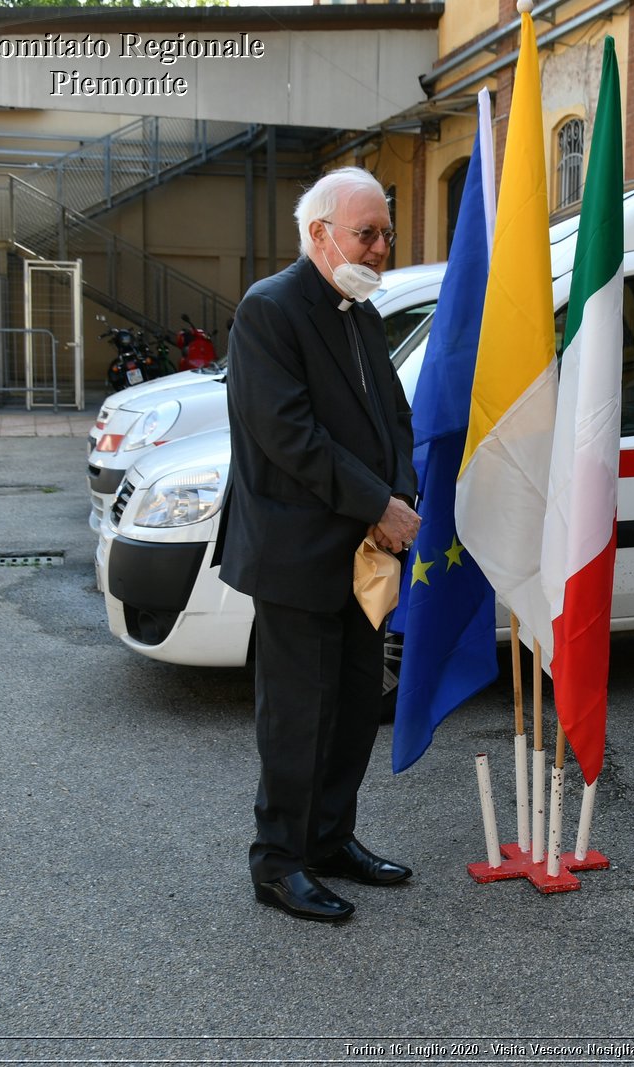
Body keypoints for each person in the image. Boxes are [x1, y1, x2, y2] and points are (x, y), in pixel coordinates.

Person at [217, 166, 421, 923]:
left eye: (386, 233)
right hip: (298, 552)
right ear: (319, 234)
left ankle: (332, 839)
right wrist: (379, 503)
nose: (381, 246)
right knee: (298, 715)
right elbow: (289, 437)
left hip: (362, 551)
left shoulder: (359, 307)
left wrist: (399, 497)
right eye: (367, 233)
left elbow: (391, 419)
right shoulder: (270, 310)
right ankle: (279, 861)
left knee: (353, 706)